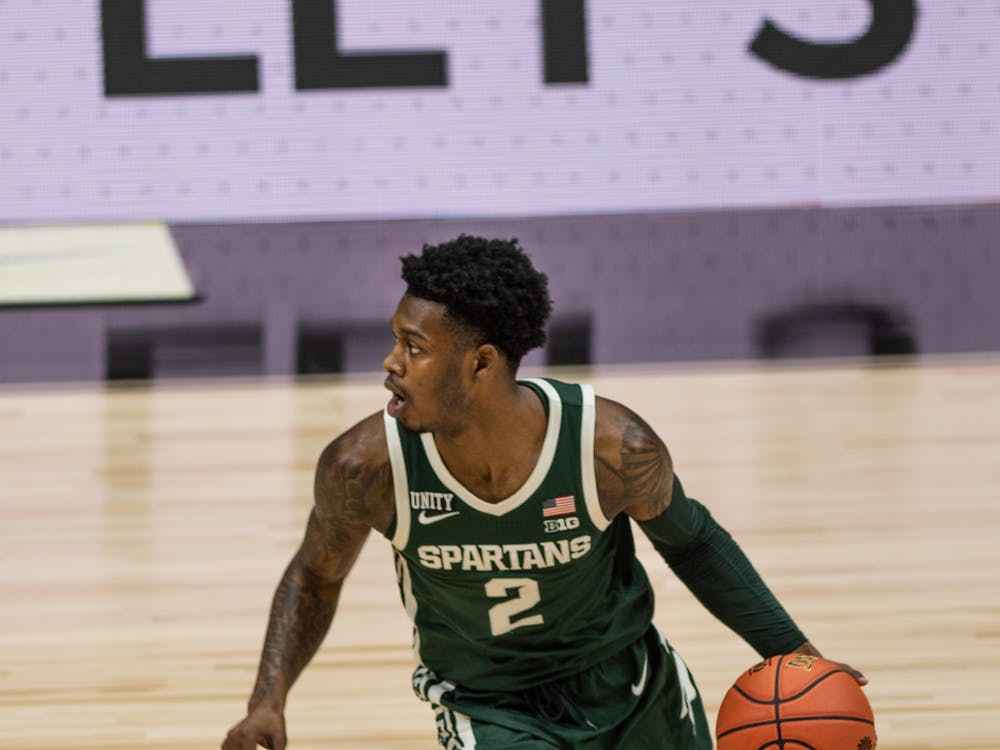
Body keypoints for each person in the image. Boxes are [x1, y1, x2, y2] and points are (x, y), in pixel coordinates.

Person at [222, 235, 866, 750]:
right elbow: (315, 575)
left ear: (481, 362)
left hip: (633, 683)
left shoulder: (612, 449)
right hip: (488, 704)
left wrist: (797, 656)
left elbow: (693, 544)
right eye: (397, 340)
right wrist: (266, 703)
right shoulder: (365, 467)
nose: (390, 362)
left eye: (413, 347)